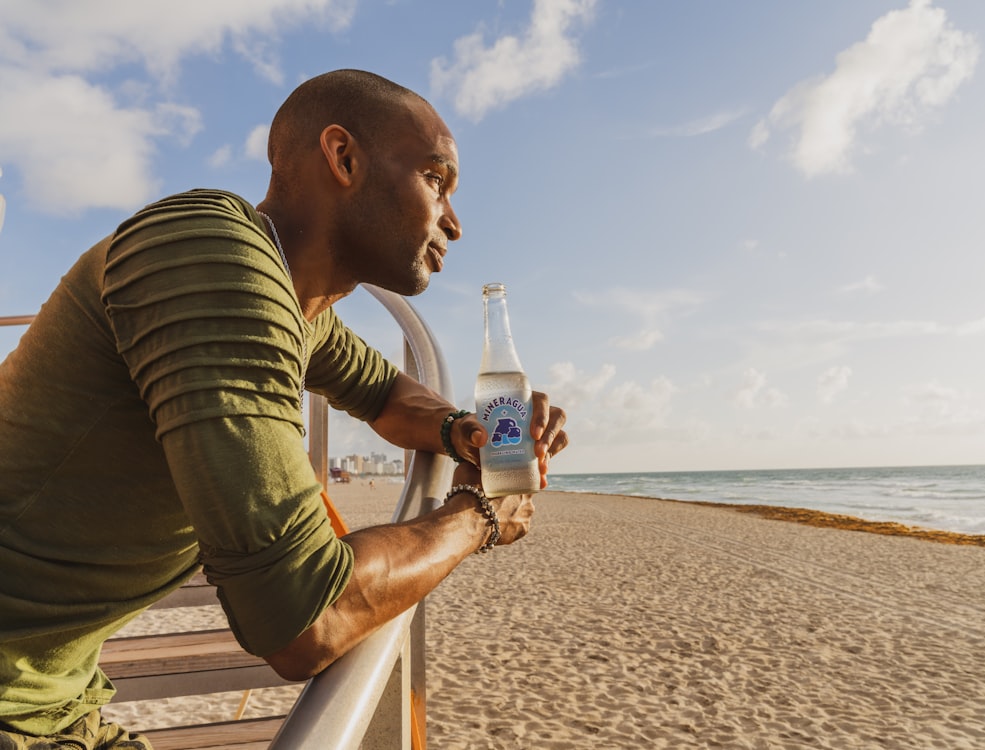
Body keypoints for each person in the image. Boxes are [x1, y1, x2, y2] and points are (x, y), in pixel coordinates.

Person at [0, 69, 568, 747]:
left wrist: (465, 433)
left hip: (55, 698)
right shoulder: (213, 258)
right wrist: (477, 517)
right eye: (435, 179)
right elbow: (303, 619)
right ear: (344, 158)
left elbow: (387, 395)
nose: (454, 220)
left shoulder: (292, 302)